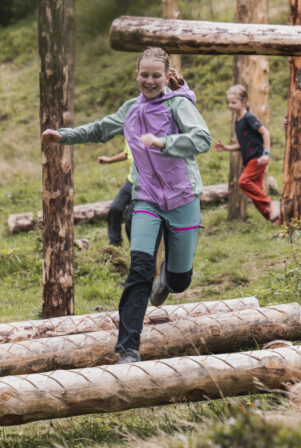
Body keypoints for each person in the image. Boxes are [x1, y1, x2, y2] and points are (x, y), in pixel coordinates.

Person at [41, 47, 211, 364]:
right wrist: (62, 136)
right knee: (139, 271)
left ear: (166, 77)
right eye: (144, 75)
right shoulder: (131, 109)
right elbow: (100, 128)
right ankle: (128, 348)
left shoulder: (179, 106)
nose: (149, 80)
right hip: (145, 198)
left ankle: (167, 280)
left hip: (183, 199)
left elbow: (203, 139)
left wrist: (165, 143)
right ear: (137, 76)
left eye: (156, 75)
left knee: (179, 281)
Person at [214, 85, 281, 224]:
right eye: (229, 102)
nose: (230, 106)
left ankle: (272, 204)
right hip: (250, 159)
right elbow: (241, 145)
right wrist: (226, 147)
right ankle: (278, 220)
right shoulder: (237, 122)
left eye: (234, 103)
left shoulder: (249, 117)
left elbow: (265, 132)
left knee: (243, 182)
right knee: (256, 195)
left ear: (244, 102)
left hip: (258, 159)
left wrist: (266, 154)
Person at [98, 141, 134, 246]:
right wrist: (109, 160)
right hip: (130, 181)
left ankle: (137, 248)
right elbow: (127, 154)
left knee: (130, 217)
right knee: (115, 208)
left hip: (145, 185)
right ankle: (115, 244)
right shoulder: (130, 133)